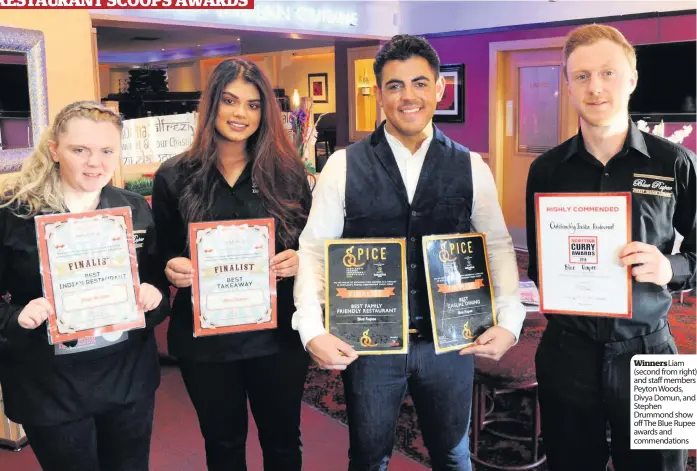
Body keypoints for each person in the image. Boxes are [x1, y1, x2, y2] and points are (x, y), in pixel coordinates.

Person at [292, 34, 525, 471]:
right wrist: (310, 328)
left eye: (420, 83)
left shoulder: (471, 165)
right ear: (379, 93)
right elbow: (314, 250)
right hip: (370, 343)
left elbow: (495, 245)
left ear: (439, 89)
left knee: (453, 453)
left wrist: (510, 319)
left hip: (452, 342)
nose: (408, 96)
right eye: (395, 86)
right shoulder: (343, 165)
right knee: (368, 456)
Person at [525, 24, 695, 471]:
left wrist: (670, 266)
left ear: (633, 78)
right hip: (566, 353)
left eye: (607, 73)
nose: (594, 87)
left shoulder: (675, 162)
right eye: (581, 76)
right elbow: (540, 266)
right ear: (567, 85)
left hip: (653, 349)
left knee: (664, 467)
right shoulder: (546, 170)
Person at [151, 58, 313, 471]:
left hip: (277, 337)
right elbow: (162, 252)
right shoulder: (174, 177)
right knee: (222, 445)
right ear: (212, 105)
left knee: (282, 442)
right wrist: (173, 267)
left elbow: (310, 247)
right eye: (230, 101)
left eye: (254, 105)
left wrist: (299, 260)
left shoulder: (288, 174)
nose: (241, 114)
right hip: (207, 343)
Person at [0, 101, 170, 471]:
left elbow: (156, 284)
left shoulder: (133, 207)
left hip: (125, 377)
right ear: (54, 151)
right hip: (49, 385)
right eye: (81, 150)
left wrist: (153, 298)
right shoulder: (14, 213)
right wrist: (17, 317)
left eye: (107, 151)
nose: (96, 163)